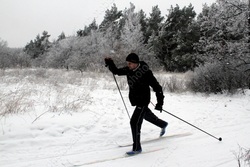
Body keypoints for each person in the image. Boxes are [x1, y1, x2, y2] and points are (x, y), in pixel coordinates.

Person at [105, 53, 168, 156]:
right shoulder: (129, 70)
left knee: (134, 122)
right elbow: (116, 71)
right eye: (127, 63)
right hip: (136, 100)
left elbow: (158, 88)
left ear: (135, 63)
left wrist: (159, 103)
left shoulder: (146, 72)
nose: (128, 65)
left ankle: (137, 148)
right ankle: (162, 124)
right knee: (146, 116)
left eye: (130, 63)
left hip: (143, 101)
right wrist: (110, 63)